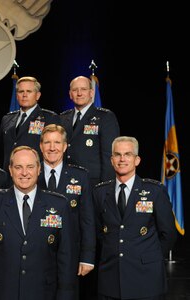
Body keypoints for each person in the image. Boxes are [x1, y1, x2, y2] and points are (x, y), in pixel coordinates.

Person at [0, 146, 75, 300]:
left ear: (39, 169)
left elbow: (66, 258)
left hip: (44, 293)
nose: (24, 173)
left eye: (30, 167)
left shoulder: (59, 205)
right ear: (10, 170)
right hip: (2, 293)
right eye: (18, 167)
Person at [93, 136, 177, 300]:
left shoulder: (155, 191)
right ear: (111, 160)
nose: (122, 159)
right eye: (117, 154)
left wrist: (149, 257)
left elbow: (168, 233)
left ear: (137, 160)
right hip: (111, 278)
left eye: (128, 154)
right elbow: (98, 231)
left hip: (147, 279)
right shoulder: (99, 192)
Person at [38, 123, 95, 299]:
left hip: (70, 254)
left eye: (57, 142)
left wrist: (87, 256)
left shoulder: (80, 176)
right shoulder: (29, 173)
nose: (52, 148)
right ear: (40, 146)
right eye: (47, 143)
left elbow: (87, 219)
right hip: (36, 252)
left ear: (65, 146)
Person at [60, 75, 120, 187]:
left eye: (83, 89)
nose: (79, 93)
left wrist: (105, 187)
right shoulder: (63, 118)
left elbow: (109, 156)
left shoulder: (105, 117)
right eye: (75, 90)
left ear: (91, 93)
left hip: (92, 183)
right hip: (66, 181)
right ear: (70, 94)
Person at [0, 76, 60, 171]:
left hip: (36, 177)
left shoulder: (50, 119)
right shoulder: (7, 119)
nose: (24, 95)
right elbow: (1, 151)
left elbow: (55, 152)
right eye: (21, 91)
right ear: (17, 95)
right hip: (9, 177)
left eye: (29, 91)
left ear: (37, 95)